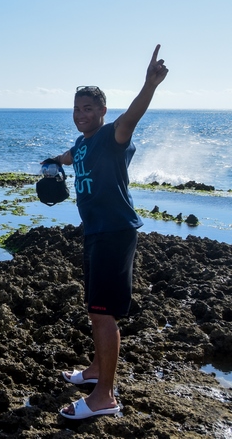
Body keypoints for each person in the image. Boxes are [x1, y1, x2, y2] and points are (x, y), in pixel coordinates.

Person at [50, 45, 169, 420]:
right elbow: (71, 156)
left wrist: (149, 85)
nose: (80, 115)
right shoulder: (82, 143)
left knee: (104, 315)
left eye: (88, 108)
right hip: (95, 233)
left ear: (102, 110)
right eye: (76, 109)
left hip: (115, 233)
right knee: (95, 308)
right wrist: (54, 162)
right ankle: (96, 369)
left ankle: (104, 397)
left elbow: (131, 117)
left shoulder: (113, 136)